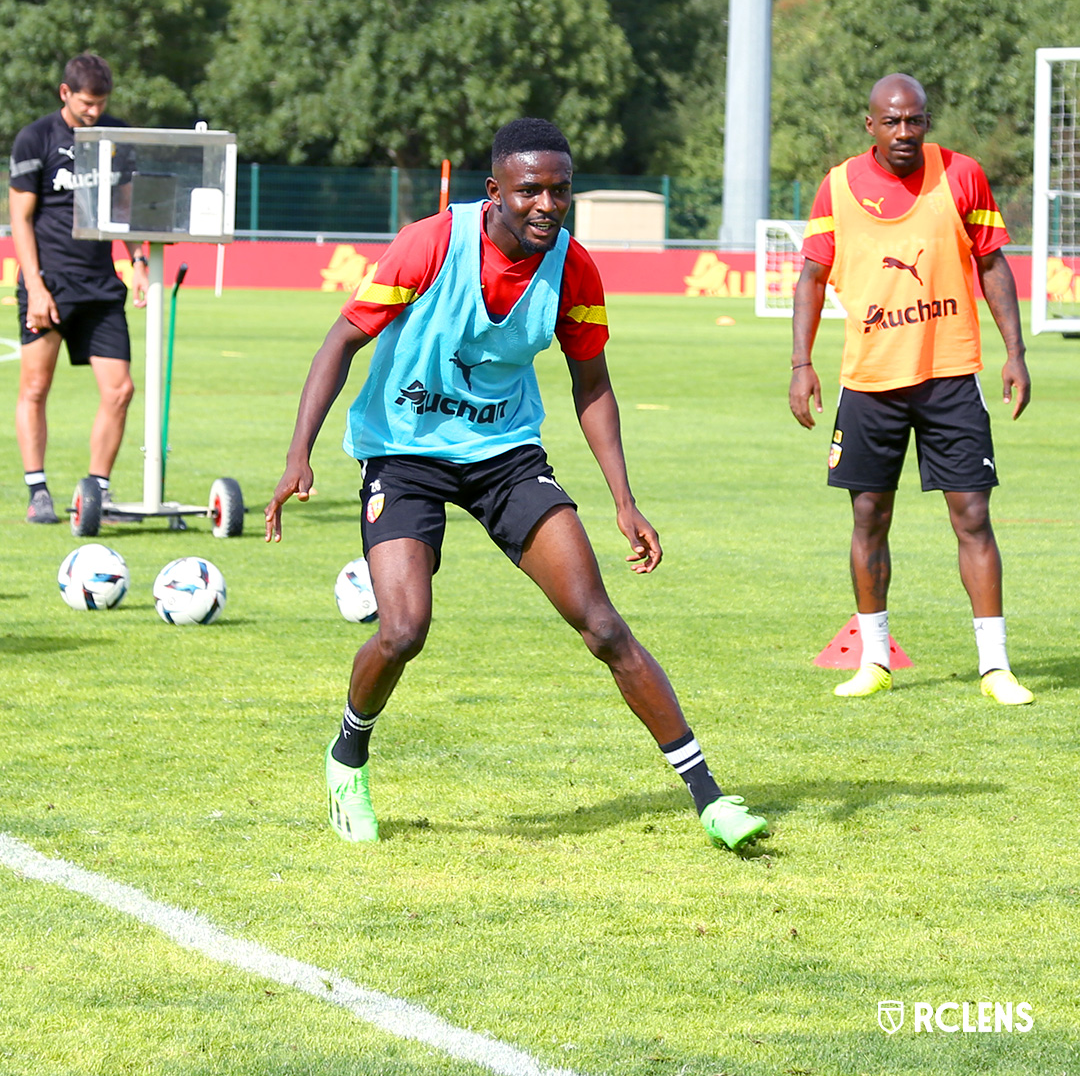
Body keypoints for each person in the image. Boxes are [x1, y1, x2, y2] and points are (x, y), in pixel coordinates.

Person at [266, 117, 768, 851]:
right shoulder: (430, 243)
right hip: (403, 453)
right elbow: (342, 338)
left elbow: (591, 382)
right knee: (403, 630)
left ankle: (711, 799)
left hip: (505, 455)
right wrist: (298, 454)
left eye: (560, 190)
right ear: (494, 189)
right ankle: (347, 758)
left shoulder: (573, 267)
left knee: (602, 624)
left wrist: (624, 501)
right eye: (530, 189)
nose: (547, 205)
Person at [789, 73, 1033, 704]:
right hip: (868, 383)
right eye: (892, 122)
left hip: (951, 375)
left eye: (916, 120)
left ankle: (995, 666)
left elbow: (991, 263)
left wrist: (1016, 352)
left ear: (928, 121)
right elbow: (812, 280)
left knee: (973, 515)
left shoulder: (962, 175)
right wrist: (800, 364)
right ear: (869, 125)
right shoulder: (838, 186)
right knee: (869, 516)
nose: (904, 132)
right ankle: (874, 661)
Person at [9, 53, 149, 524]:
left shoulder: (116, 134)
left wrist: (139, 261)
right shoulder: (35, 138)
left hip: (100, 284)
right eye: (87, 102)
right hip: (49, 283)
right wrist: (36, 286)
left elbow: (127, 210)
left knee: (120, 390)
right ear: (65, 93)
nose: (94, 111)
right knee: (35, 386)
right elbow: (20, 219)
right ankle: (38, 491)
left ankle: (98, 494)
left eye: (101, 102)